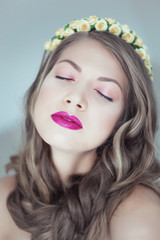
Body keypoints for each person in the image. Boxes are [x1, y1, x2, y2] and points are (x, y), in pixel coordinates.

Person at [0, 16, 160, 240]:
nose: (75, 98)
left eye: (103, 93)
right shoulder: (2, 196)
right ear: (39, 84)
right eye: (65, 77)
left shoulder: (140, 216)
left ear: (125, 120)